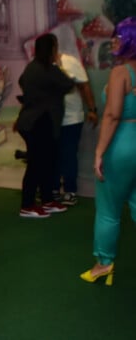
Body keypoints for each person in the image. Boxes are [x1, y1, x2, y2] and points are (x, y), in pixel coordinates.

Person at [80, 17, 136, 286]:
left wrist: (100, 151)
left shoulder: (121, 72)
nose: (114, 40)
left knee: (108, 210)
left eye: (119, 36)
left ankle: (104, 264)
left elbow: (112, 114)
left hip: (122, 144)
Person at [14, 33, 75, 218]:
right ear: (51, 49)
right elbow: (68, 84)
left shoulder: (32, 67)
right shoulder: (48, 69)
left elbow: (22, 82)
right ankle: (28, 205)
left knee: (46, 163)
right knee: (37, 164)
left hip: (32, 121)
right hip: (40, 122)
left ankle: (47, 200)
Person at [52, 51, 99, 206]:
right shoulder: (41, 64)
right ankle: (53, 189)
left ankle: (70, 190)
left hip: (71, 118)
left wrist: (92, 109)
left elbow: (84, 86)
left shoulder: (70, 61)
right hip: (50, 119)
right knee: (53, 155)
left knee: (69, 155)